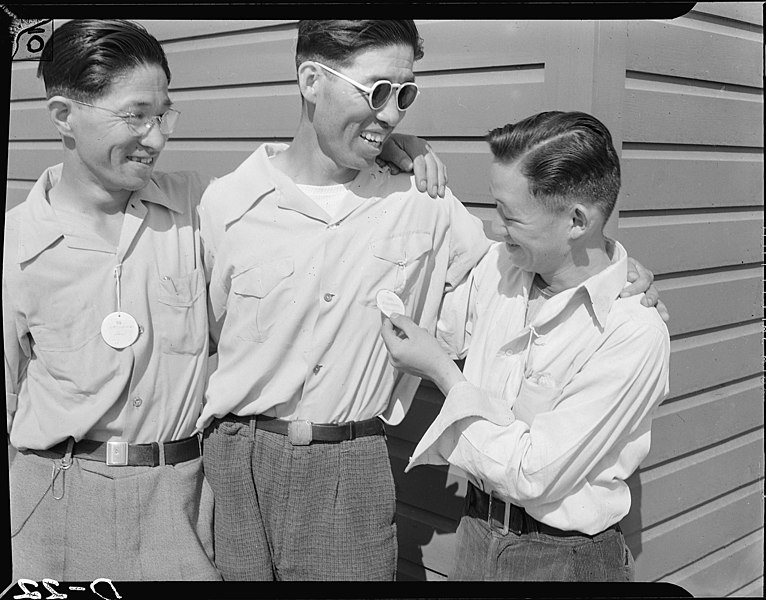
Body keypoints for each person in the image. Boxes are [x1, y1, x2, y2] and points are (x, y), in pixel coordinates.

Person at [195, 21, 659, 581]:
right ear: (311, 79)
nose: (392, 115)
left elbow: (535, 257)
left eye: (405, 93)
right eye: (377, 91)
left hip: (349, 466)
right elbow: (212, 330)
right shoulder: (227, 204)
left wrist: (621, 268)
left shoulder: (424, 203)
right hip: (237, 462)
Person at [3, 18, 445, 583]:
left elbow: (297, 184)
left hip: (184, 504)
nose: (156, 138)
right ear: (64, 115)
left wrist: (391, 142)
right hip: (56, 502)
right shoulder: (15, 247)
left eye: (163, 114)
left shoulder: (204, 209)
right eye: (135, 116)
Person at [381, 111, 671, 581]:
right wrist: (401, 149)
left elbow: (532, 474)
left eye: (510, 216)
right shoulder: (502, 269)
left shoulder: (631, 332)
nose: (496, 229)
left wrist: (443, 373)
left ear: (577, 220)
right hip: (477, 533)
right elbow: (443, 241)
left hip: (561, 560)